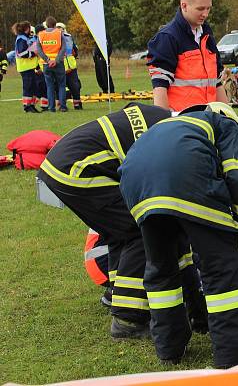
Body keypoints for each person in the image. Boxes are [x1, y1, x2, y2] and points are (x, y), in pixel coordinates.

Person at [37, 102, 208, 339]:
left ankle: (116, 295)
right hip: (77, 169)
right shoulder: (175, 138)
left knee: (121, 231)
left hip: (64, 166)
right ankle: (128, 318)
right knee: (143, 227)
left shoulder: (159, 116)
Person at [119, 102, 238, 368]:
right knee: (221, 269)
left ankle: (169, 348)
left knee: (162, 269)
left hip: (136, 185)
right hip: (186, 177)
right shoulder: (226, 125)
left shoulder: (167, 126)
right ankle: (234, 357)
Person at [147, 0, 226, 111]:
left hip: (209, 121)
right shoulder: (167, 38)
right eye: (200, 9)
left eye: (208, 8)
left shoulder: (207, 36)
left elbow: (217, 83)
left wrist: (230, 120)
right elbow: (159, 88)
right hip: (182, 124)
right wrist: (165, 125)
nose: (205, 14)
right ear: (184, 6)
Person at [36, 16, 68, 112]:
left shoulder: (40, 35)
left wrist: (47, 60)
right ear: (55, 24)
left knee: (49, 86)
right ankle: (62, 106)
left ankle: (51, 107)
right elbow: (63, 48)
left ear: (46, 24)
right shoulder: (59, 33)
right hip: (58, 63)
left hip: (46, 65)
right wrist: (56, 60)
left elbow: (39, 50)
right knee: (61, 85)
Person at [13, 21, 41, 112]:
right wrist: (33, 53)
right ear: (27, 29)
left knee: (33, 87)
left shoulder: (25, 38)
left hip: (29, 67)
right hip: (24, 67)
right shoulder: (21, 39)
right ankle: (27, 106)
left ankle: (31, 105)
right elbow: (21, 53)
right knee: (28, 87)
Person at [61, 23, 83, 110]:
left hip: (68, 66)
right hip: (64, 67)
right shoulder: (66, 38)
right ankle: (66, 105)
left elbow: (75, 50)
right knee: (68, 87)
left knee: (73, 86)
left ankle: (75, 104)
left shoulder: (68, 37)